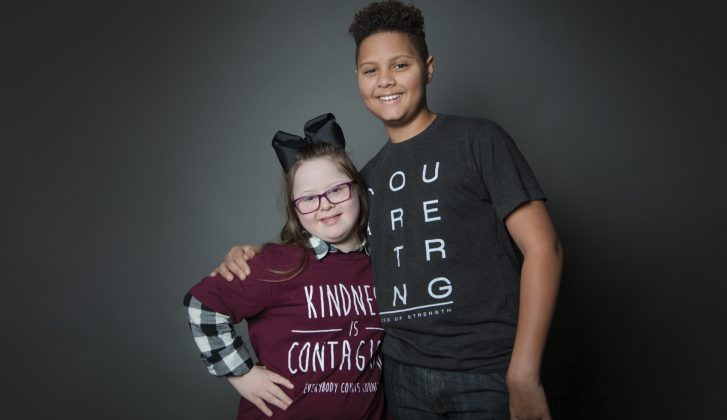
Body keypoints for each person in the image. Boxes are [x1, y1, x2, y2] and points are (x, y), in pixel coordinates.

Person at [215, 2, 563, 419]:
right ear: (358, 79)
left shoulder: (478, 140)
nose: (385, 81)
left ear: (428, 68)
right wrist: (252, 254)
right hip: (400, 376)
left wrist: (523, 372)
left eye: (400, 65)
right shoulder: (365, 180)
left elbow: (545, 249)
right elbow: (327, 241)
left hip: (487, 370)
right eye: (370, 70)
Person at [185, 113, 385, 419]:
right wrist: (242, 374)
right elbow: (203, 305)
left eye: (336, 190)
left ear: (357, 187)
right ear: (294, 208)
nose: (325, 204)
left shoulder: (383, 262)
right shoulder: (279, 264)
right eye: (308, 198)